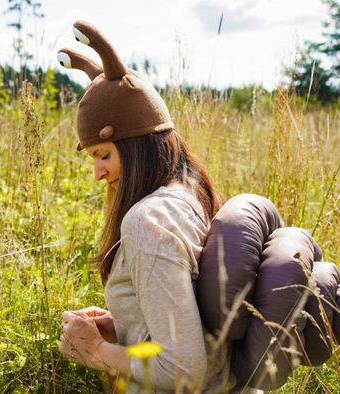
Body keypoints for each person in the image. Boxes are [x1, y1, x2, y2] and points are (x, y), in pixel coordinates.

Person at [57, 21, 245, 393]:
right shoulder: (190, 196)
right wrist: (122, 322)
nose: (97, 172)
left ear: (135, 146)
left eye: (104, 154)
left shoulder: (147, 221)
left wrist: (96, 351)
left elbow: (181, 369)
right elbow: (193, 318)